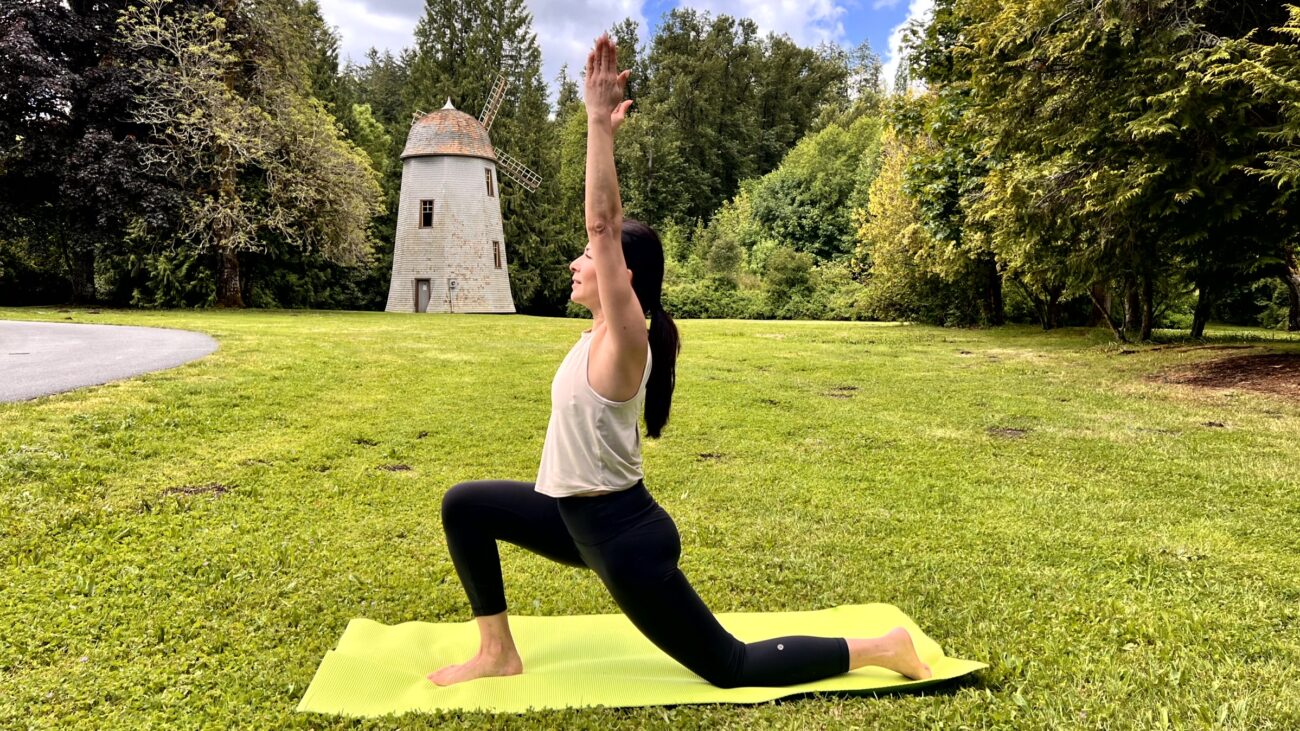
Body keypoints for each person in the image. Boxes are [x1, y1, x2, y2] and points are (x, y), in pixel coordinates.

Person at [429, 34, 932, 689]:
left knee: (731, 665)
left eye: (588, 257)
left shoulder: (625, 337)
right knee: (465, 505)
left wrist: (596, 128)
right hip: (571, 516)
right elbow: (603, 239)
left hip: (621, 538)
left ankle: (882, 647)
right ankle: (497, 651)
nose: (576, 261)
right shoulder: (598, 334)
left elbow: (604, 227)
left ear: (622, 276)